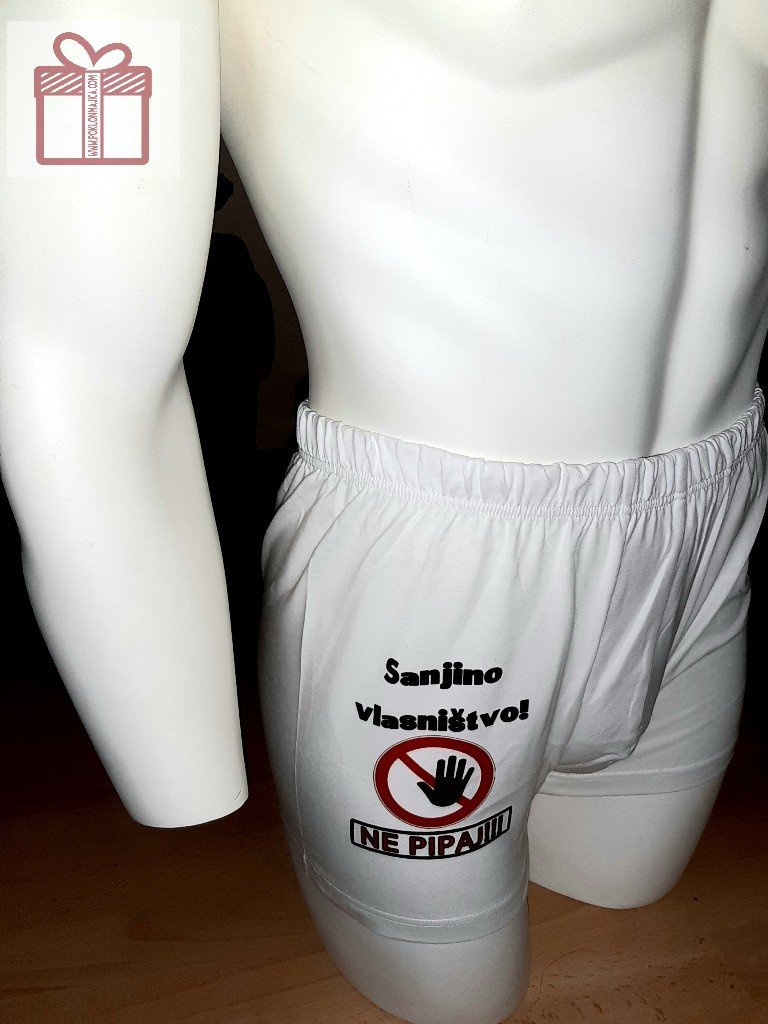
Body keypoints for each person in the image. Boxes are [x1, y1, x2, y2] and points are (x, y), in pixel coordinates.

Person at [2, 2, 767, 1022]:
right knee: (459, 1002)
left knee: (631, 904)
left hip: (714, 531)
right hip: (432, 586)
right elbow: (75, 364)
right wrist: (178, 764)